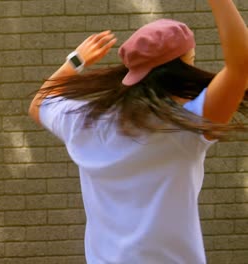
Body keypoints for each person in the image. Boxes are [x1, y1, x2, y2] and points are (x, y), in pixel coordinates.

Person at [29, 0, 248, 263]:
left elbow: (39, 103)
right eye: (191, 60)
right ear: (178, 71)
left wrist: (77, 60)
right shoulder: (185, 125)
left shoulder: (85, 121)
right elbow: (241, 66)